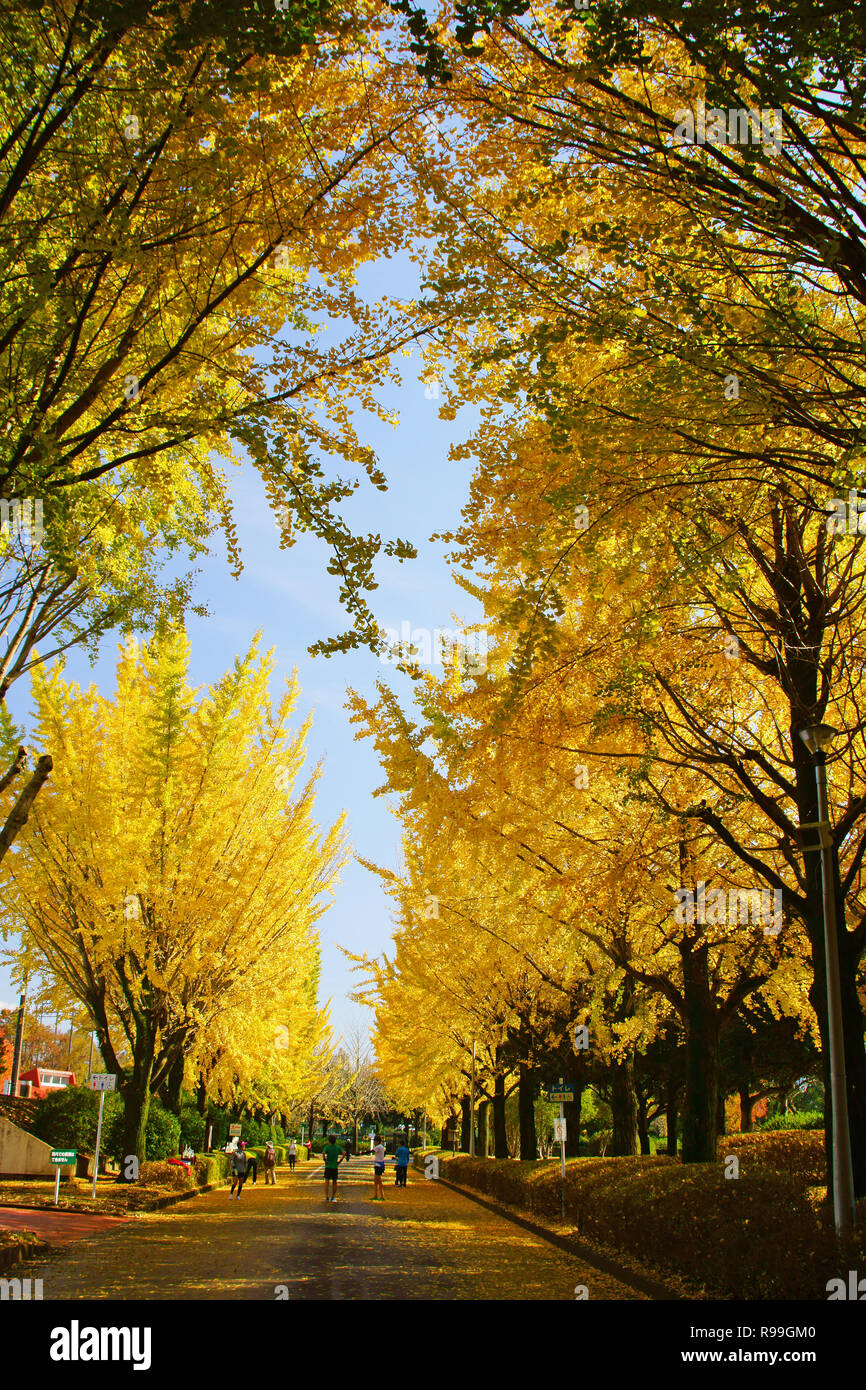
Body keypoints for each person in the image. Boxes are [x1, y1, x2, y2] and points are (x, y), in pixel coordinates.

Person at [322, 1133, 343, 1203]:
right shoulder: (337, 1147)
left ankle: (326, 1197)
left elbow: (323, 1152)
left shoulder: (327, 1147)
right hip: (335, 1166)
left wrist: (325, 1159)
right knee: (334, 1181)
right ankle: (333, 1197)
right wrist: (340, 1160)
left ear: (329, 1141)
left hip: (328, 1166)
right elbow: (344, 1152)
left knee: (326, 1181)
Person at [372, 1133, 386, 1202]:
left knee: (379, 1181)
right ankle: (376, 1195)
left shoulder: (378, 1147)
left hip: (378, 1165)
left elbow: (371, 1151)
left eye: (374, 1141)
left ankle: (382, 1196)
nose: (374, 1142)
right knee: (376, 1181)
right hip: (379, 1165)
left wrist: (360, 1153)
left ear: (377, 1141)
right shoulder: (381, 1147)